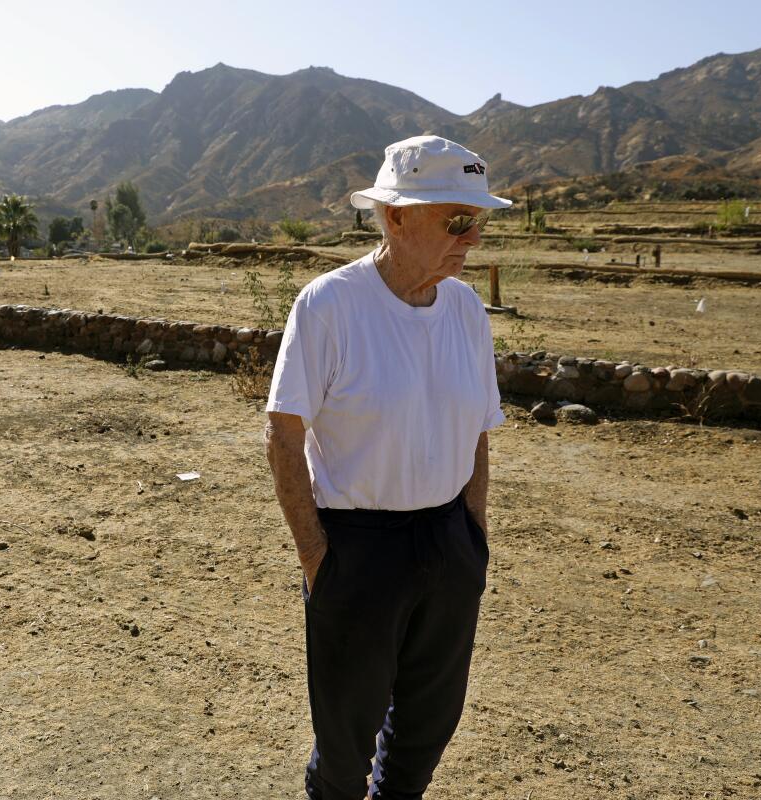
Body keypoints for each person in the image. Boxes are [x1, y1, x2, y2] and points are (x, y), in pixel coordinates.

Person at [264, 135, 511, 800]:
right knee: (346, 747)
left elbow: (480, 430)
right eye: (457, 221)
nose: (473, 238)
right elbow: (284, 435)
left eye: (477, 221)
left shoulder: (465, 310)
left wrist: (473, 535)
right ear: (394, 217)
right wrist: (319, 559)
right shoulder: (329, 305)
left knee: (426, 732)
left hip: (448, 542)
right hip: (358, 551)